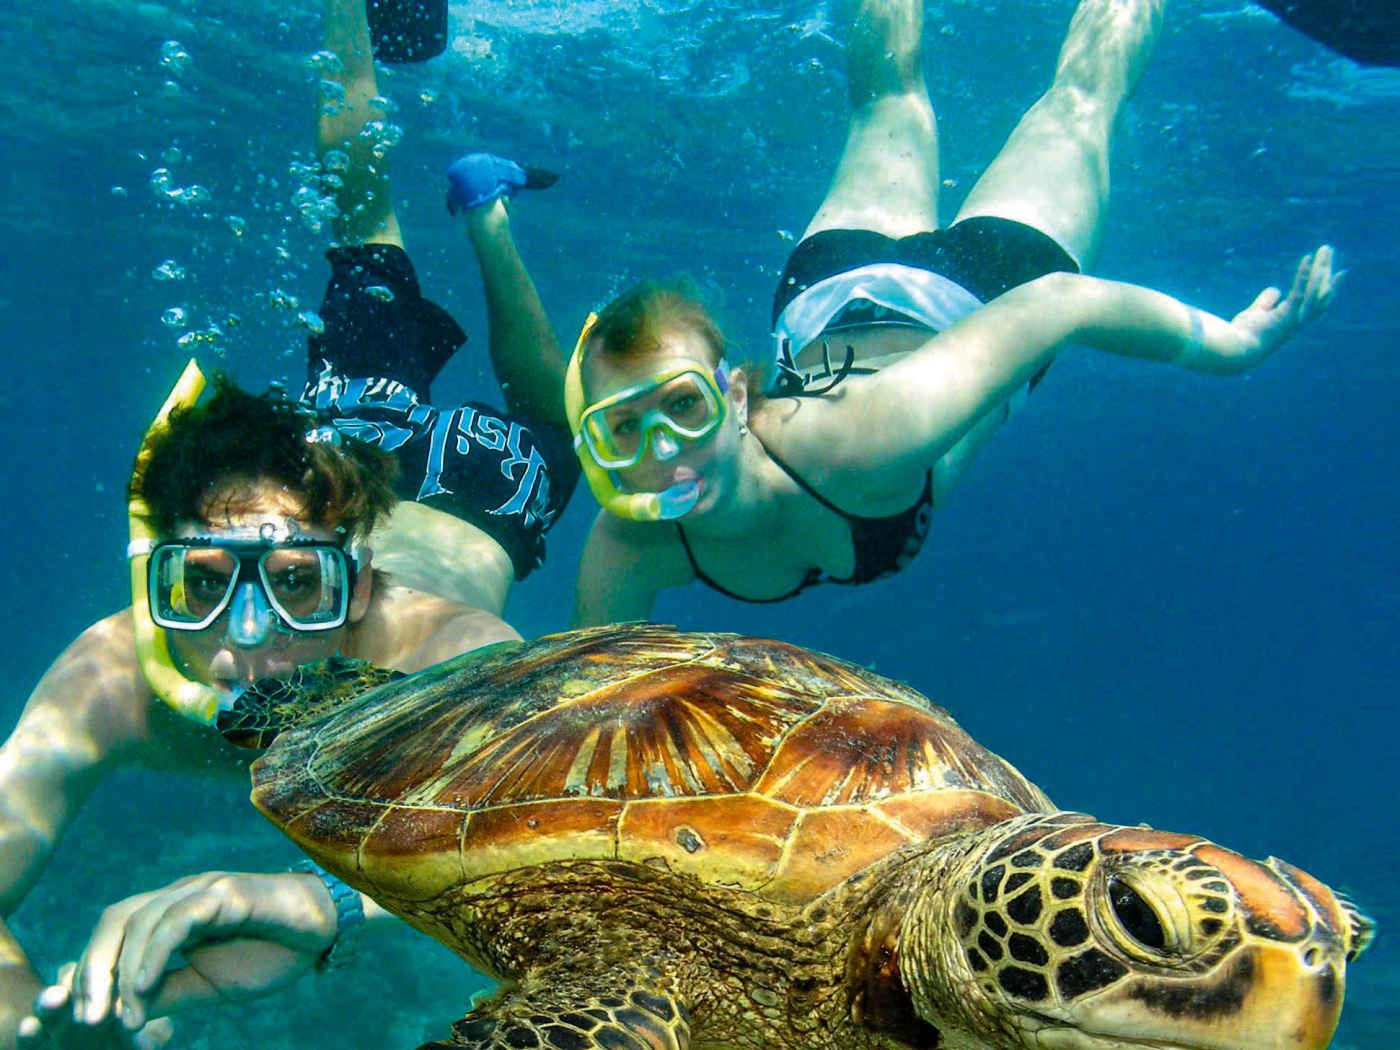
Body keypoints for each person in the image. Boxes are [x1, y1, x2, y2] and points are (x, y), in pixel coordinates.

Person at [3, 0, 577, 1044]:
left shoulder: (437, 655)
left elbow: (554, 828)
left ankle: (487, 217)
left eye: (298, 585)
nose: (247, 641)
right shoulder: (108, 677)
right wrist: (23, 1023)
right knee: (363, 248)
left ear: (359, 583)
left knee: (547, 411)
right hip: (344, 433)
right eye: (201, 584)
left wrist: (329, 903)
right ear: (153, 578)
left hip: (471, 492)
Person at [568, 0, 1338, 625]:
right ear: (596, 448)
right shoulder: (631, 547)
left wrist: (1230, 346)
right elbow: (588, 709)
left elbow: (1063, 302)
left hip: (961, 286)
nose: (665, 449)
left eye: (684, 405)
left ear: (736, 396)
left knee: (1061, 100)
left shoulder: (862, 445)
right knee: (897, 99)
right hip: (838, 303)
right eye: (623, 428)